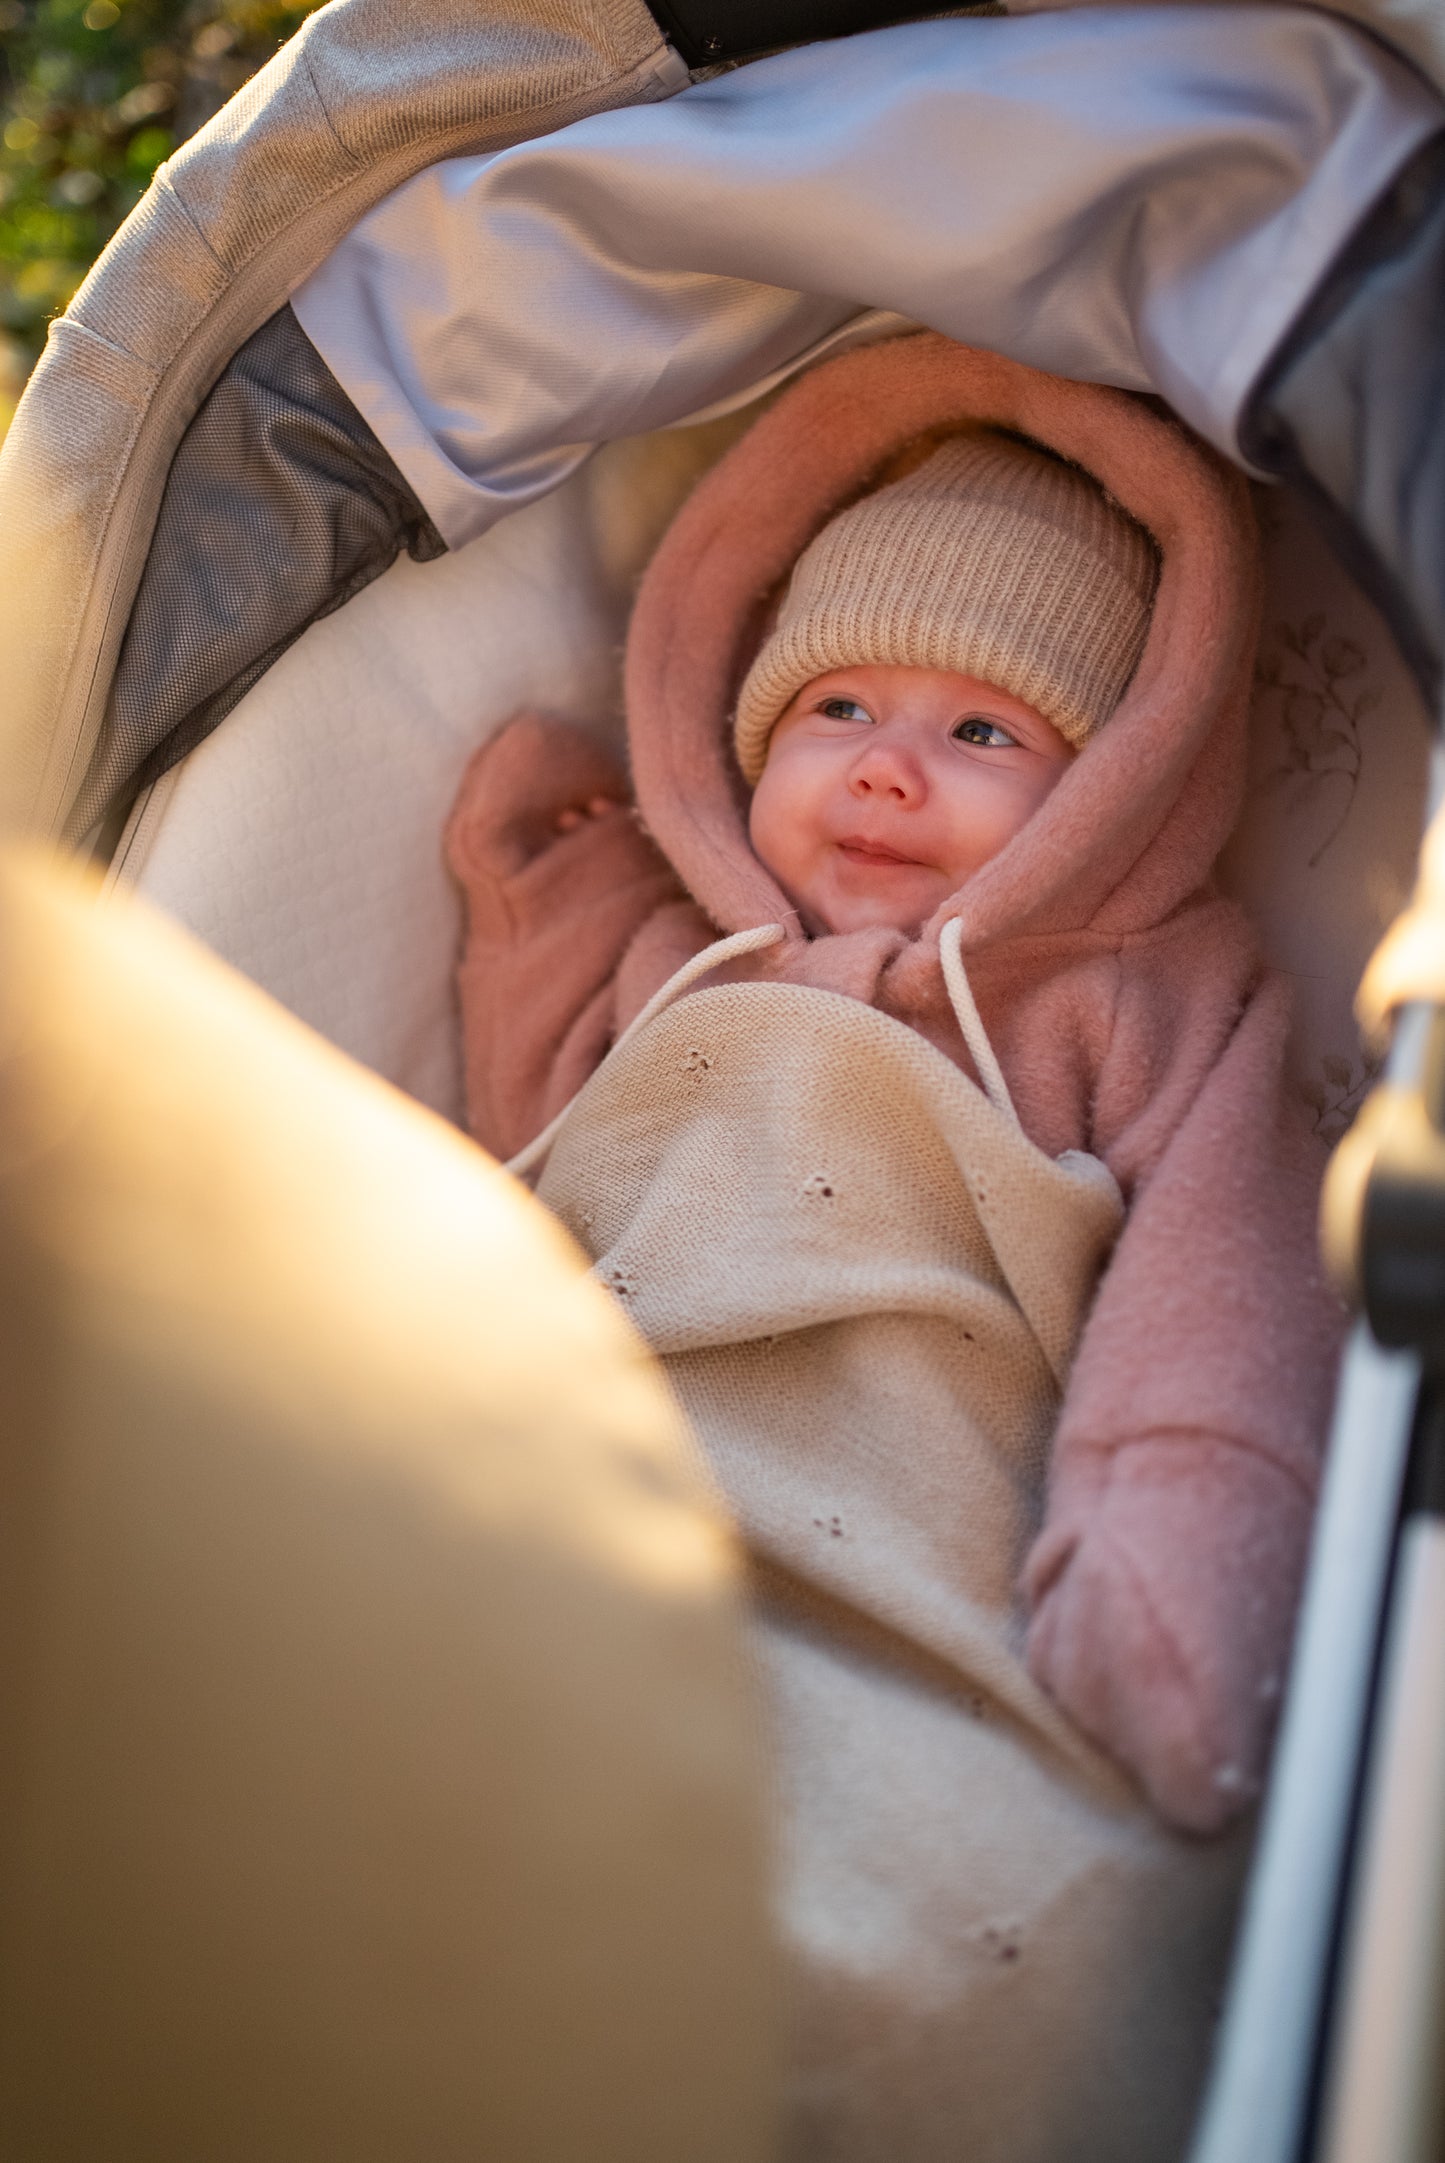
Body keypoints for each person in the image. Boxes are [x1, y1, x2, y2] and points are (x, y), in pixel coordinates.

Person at [443, 332, 1341, 2162]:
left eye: (983, 733)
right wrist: (540, 889)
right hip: (594, 1469)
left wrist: (1173, 1528)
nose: (884, 772)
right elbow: (516, 1148)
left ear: (1125, 780)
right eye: (838, 712)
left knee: (964, 1942)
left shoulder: (1136, 996)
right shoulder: (684, 954)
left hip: (911, 1525)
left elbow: (1221, 1276)